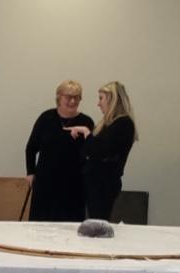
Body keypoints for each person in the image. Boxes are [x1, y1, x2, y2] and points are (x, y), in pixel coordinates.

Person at [24, 80, 93, 222]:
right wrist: (30, 172)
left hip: (74, 185)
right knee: (40, 226)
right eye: (68, 97)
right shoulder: (46, 118)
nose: (73, 101)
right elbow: (31, 147)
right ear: (59, 98)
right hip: (45, 182)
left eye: (77, 97)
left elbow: (92, 153)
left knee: (69, 227)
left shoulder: (86, 122)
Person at [82, 81, 137, 221]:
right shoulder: (108, 123)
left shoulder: (123, 124)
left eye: (101, 98)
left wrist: (87, 133)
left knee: (98, 224)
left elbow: (99, 151)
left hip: (104, 185)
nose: (98, 103)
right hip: (95, 183)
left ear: (112, 99)